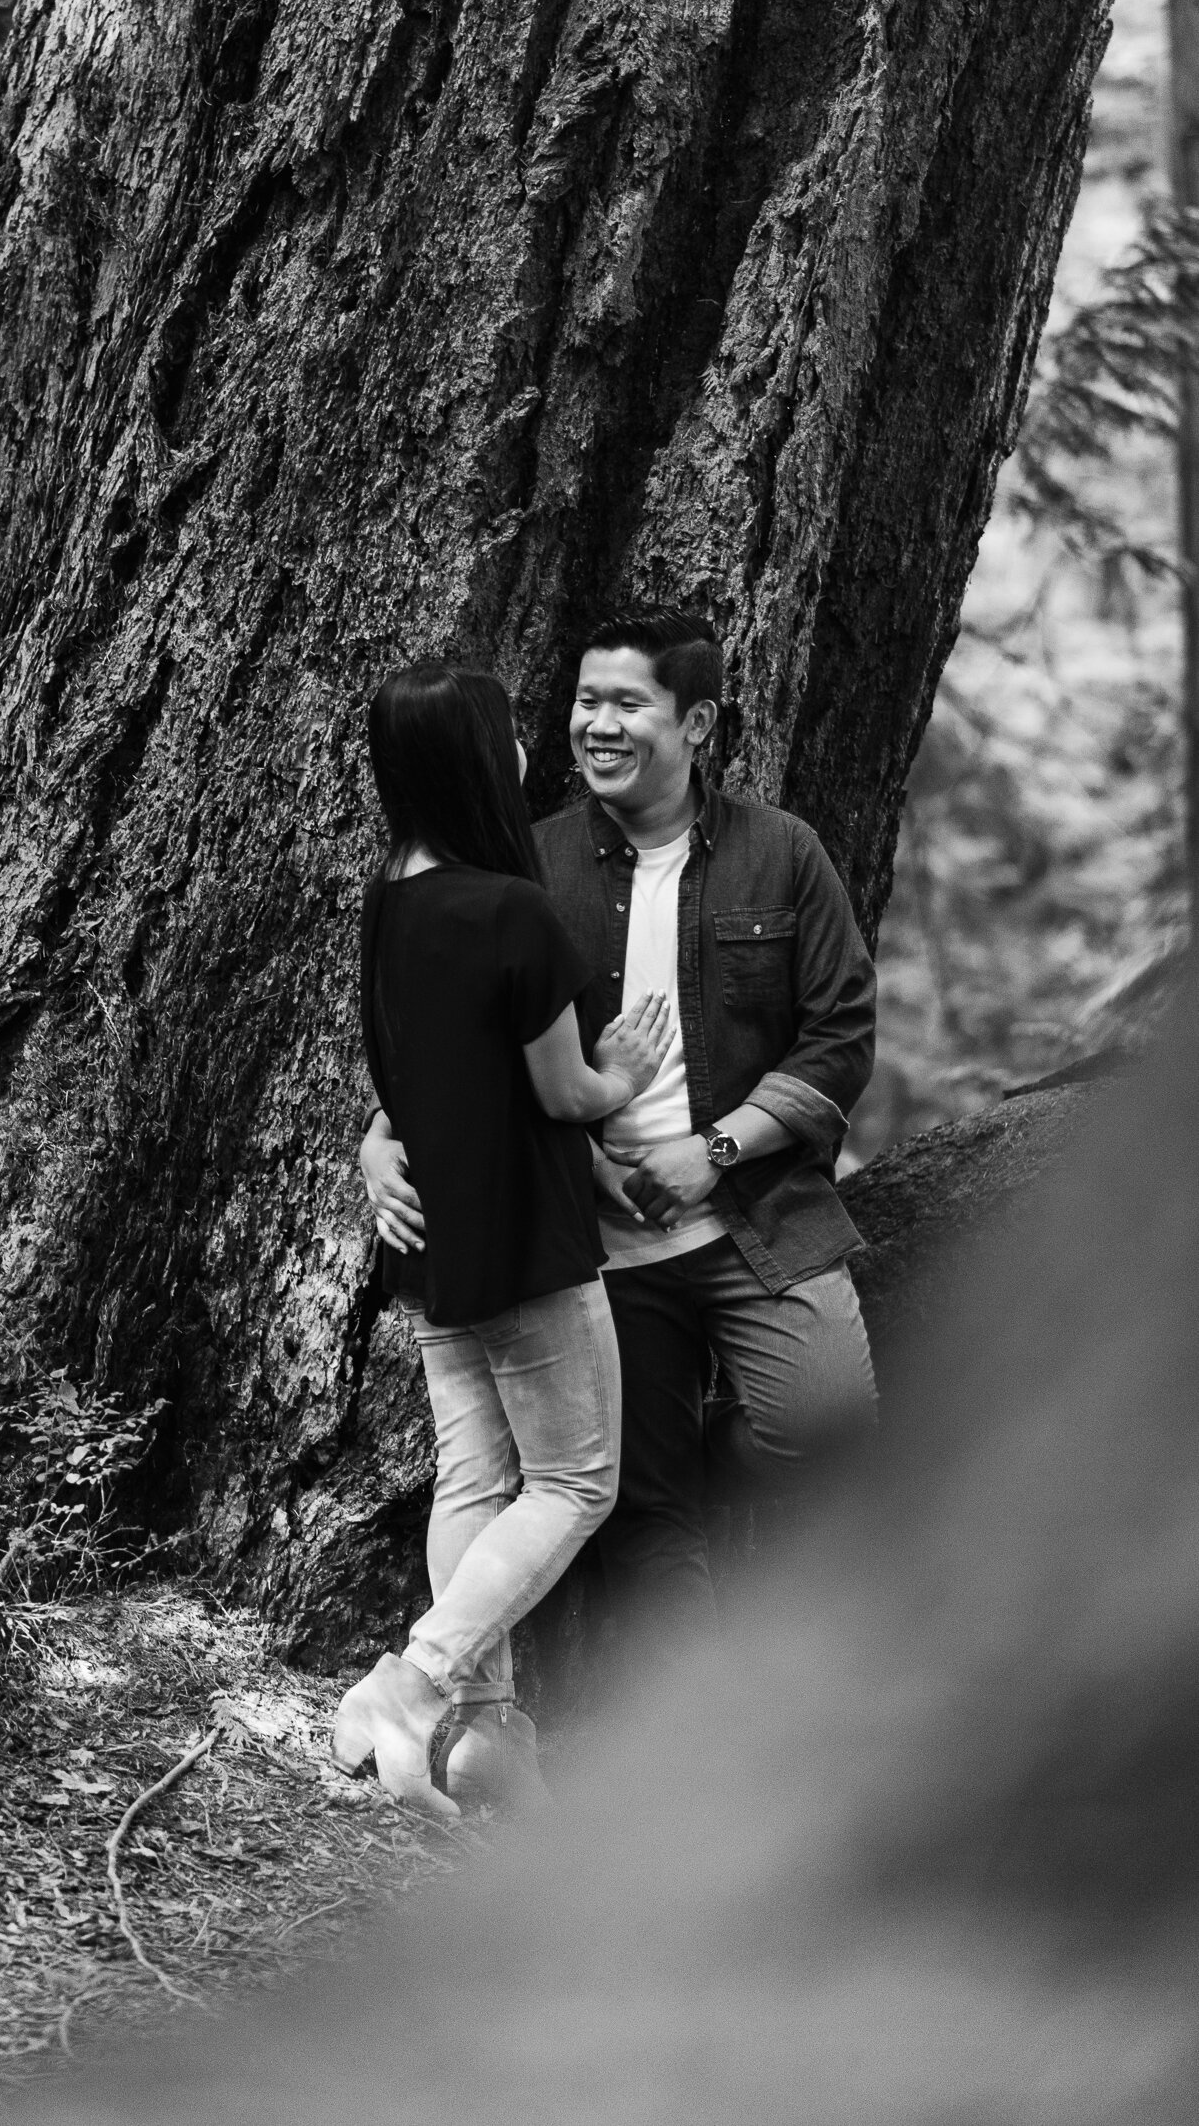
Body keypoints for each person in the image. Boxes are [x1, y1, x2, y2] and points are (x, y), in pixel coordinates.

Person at [361, 608, 879, 1670]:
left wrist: (716, 1149)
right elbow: (457, 1034)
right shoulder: (528, 861)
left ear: (697, 722)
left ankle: (681, 1459)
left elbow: (840, 1036)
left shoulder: (782, 855)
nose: (594, 724)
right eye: (584, 701)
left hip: (752, 1219)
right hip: (595, 1245)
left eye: (624, 703)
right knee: (641, 1514)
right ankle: (688, 1742)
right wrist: (379, 1137)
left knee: (823, 1429)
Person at [333, 661, 670, 1817]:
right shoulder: (510, 909)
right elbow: (565, 1093)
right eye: (505, 739)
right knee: (576, 1481)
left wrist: (375, 1145)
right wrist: (622, 1067)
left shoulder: (392, 898)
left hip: (434, 1241)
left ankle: (489, 1736)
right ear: (475, 761)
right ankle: (413, 1684)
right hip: (525, 1238)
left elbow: (428, 1064)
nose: (528, 754)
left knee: (475, 1476)